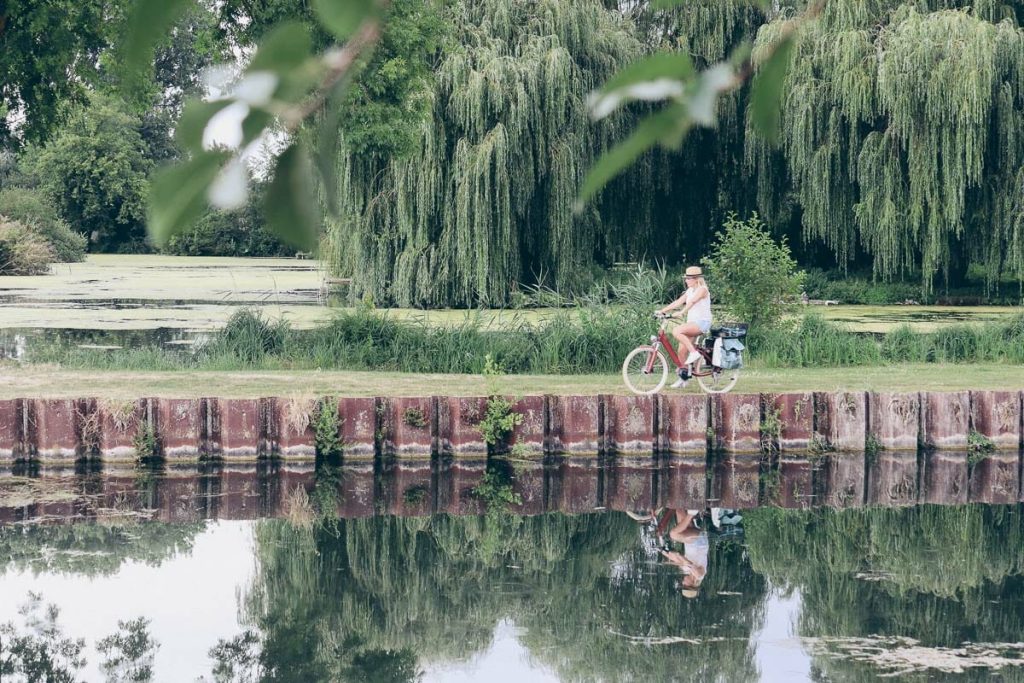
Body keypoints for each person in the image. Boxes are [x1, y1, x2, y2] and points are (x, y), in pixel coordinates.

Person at [656, 265, 712, 388]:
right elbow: (678, 302)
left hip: (702, 322)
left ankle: (694, 353)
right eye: (686, 278)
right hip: (692, 323)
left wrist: (682, 312)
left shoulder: (702, 290)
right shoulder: (690, 291)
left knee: (676, 330)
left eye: (688, 278)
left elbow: (692, 302)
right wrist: (662, 310)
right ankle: (684, 377)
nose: (686, 280)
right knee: (681, 352)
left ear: (696, 279)